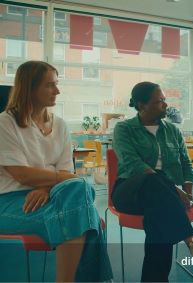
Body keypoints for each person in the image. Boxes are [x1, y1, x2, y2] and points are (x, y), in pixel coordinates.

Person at [0, 60, 112, 282]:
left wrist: (46, 187)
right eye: (49, 85)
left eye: (56, 84)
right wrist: (60, 179)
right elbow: (22, 174)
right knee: (85, 212)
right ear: (29, 88)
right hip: (11, 201)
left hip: (54, 196)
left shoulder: (59, 124)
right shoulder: (5, 123)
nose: (57, 91)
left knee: (78, 192)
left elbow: (65, 169)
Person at [112, 81, 193, 282]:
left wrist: (188, 192)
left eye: (164, 100)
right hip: (129, 192)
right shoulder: (124, 129)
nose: (165, 105)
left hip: (163, 198)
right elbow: (133, 163)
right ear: (142, 105)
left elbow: (187, 165)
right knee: (155, 180)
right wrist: (174, 190)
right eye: (159, 101)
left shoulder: (173, 131)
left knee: (159, 216)